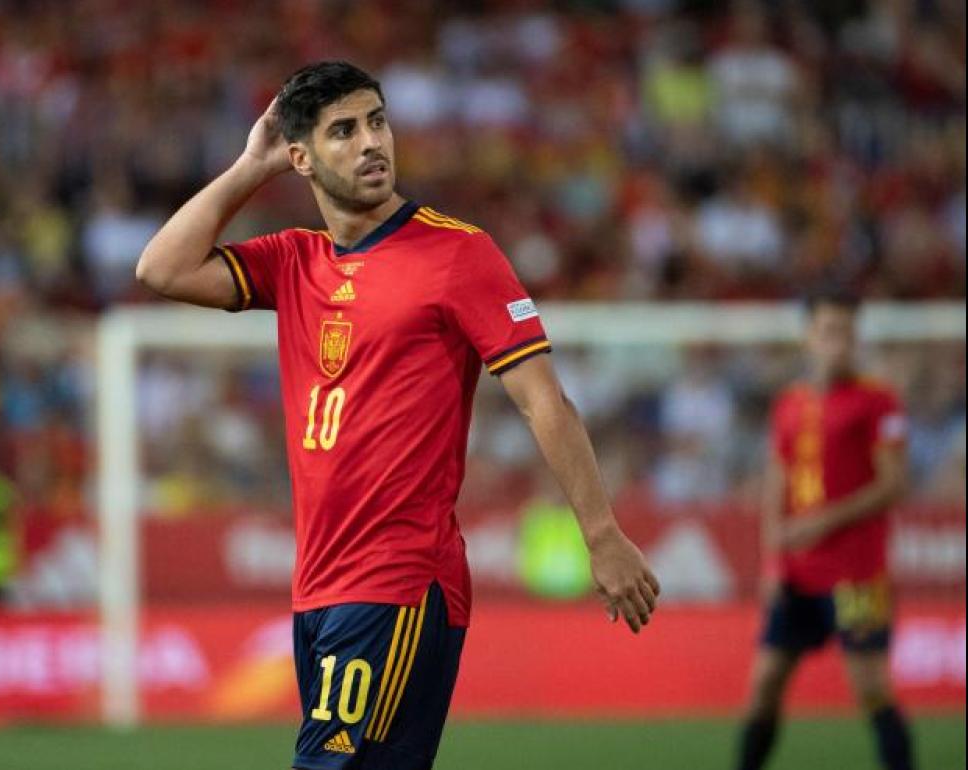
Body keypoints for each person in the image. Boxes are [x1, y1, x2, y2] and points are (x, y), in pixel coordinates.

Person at [136, 61, 659, 770]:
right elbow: (159, 270)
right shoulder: (295, 260)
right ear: (302, 158)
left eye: (377, 122)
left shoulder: (457, 253)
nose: (371, 143)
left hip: (400, 581)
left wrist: (602, 535)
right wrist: (250, 166)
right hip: (319, 584)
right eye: (343, 131)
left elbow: (545, 400)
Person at [736, 288, 914, 770]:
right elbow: (778, 479)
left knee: (872, 687)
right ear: (809, 337)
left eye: (847, 333)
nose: (839, 343)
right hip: (796, 571)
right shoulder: (790, 403)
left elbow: (894, 485)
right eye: (829, 331)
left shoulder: (878, 401)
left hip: (856, 572)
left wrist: (820, 522)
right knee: (765, 683)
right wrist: (773, 559)